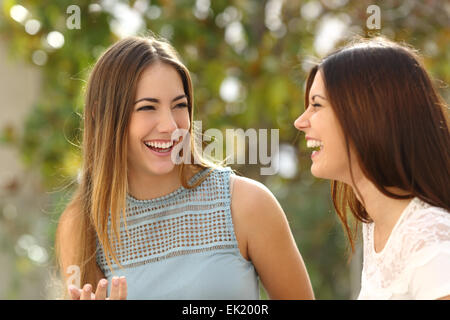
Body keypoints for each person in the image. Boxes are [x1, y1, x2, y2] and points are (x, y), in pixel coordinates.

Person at [55, 34, 314, 300]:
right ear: (100, 115)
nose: (170, 125)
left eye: (180, 105)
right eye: (147, 107)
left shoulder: (246, 204)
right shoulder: (82, 225)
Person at [294, 37, 450, 300]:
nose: (300, 121)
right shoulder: (378, 227)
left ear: (366, 115)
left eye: (317, 105)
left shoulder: (430, 239)